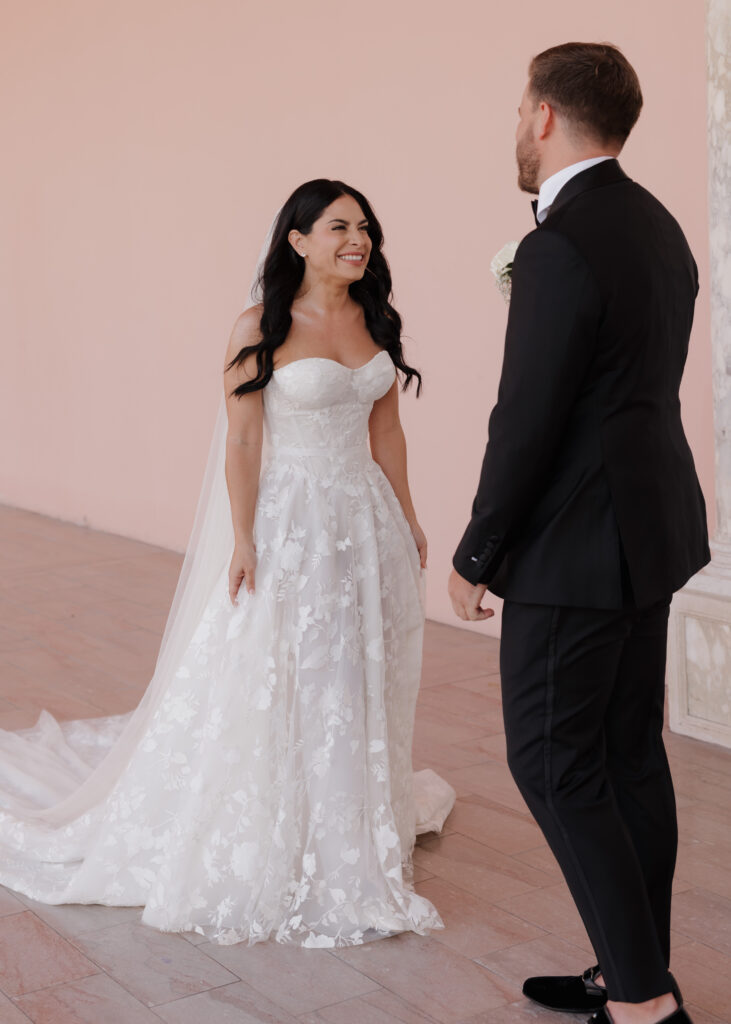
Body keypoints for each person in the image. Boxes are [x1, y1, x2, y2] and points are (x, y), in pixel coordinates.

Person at [0, 178, 454, 947]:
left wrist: (406, 517)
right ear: (297, 240)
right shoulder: (260, 325)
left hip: (363, 520)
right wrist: (244, 539)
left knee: (357, 667)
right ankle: (278, 813)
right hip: (293, 520)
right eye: (339, 226)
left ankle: (346, 807)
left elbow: (387, 434)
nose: (359, 240)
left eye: (366, 228)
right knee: (287, 665)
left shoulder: (374, 319)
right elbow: (244, 440)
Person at [448, 43, 708, 1024]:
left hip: (573, 546)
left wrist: (480, 551)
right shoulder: (656, 226)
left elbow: (530, 416)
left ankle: (641, 1002)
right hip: (649, 529)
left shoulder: (560, 242)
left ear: (546, 114)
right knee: (625, 752)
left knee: (553, 760)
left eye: (521, 106)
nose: (518, 124)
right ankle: (630, 965)